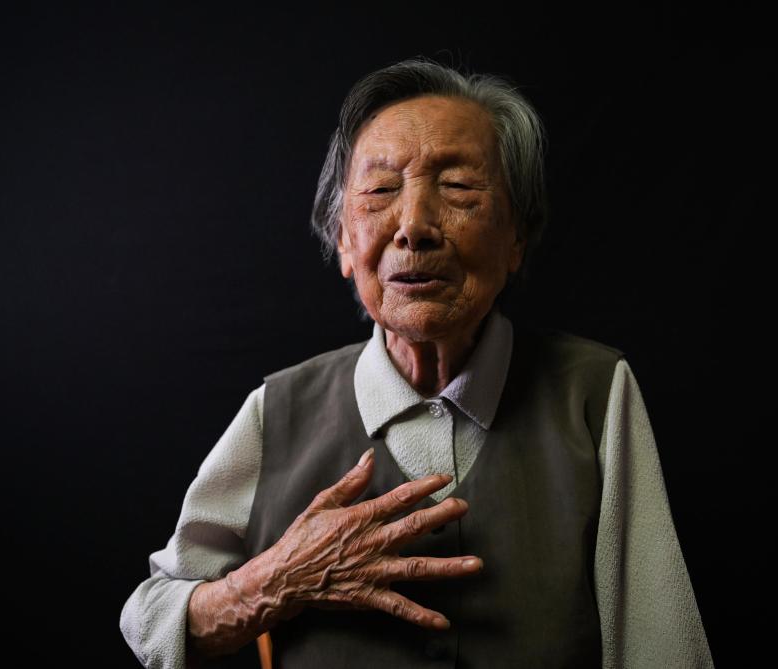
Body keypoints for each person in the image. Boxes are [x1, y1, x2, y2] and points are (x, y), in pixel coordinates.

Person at [120, 57, 714, 669]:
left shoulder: (593, 392)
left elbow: (661, 648)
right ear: (344, 240)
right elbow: (151, 620)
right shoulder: (277, 410)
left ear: (516, 236)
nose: (414, 227)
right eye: (380, 190)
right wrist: (276, 581)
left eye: (458, 187)